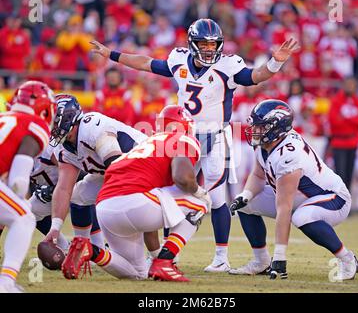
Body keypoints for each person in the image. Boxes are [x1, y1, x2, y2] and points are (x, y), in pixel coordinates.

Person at [90, 18, 299, 272]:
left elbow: (256, 76)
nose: (209, 49)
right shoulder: (178, 59)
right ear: (192, 43)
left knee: (216, 196)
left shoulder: (228, 65)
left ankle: (221, 257)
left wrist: (275, 61)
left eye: (213, 44)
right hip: (181, 136)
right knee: (168, 191)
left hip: (215, 136)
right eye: (203, 43)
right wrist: (111, 54)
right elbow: (146, 63)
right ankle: (166, 255)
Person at [61, 105, 211, 282]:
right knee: (199, 201)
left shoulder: (145, 144)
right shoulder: (182, 138)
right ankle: (166, 260)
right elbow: (183, 179)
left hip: (105, 207)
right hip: (135, 201)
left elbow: (150, 224)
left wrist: (155, 256)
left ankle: (91, 250)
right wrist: (200, 192)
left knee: (137, 272)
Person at [229, 99, 358, 281]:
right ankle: (261, 261)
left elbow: (284, 208)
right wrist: (246, 195)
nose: (256, 130)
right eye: (256, 125)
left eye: (262, 126)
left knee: (300, 217)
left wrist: (280, 259)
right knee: (245, 205)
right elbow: (258, 176)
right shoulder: (268, 142)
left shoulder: (289, 154)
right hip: (302, 198)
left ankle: (347, 259)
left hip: (333, 199)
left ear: (276, 127)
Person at [43, 94, 160, 257]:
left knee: (132, 208)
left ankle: (159, 258)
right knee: (78, 196)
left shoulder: (92, 126)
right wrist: (55, 228)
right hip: (114, 170)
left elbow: (116, 165)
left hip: (142, 165)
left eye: (54, 121)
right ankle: (82, 248)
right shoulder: (62, 147)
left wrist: (107, 202)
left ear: (69, 117)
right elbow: (63, 188)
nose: (51, 126)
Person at [0, 80, 55, 292]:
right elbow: (18, 180)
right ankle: (5, 283)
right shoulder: (34, 125)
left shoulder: (4, 117)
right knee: (24, 217)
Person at [328, 76, 358, 192]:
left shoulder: (357, 100)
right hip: (339, 142)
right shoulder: (336, 100)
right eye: (347, 84)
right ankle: (339, 203)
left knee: (350, 176)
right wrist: (354, 120)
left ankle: (347, 204)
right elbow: (334, 121)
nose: (350, 87)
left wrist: (346, 119)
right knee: (340, 175)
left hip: (352, 142)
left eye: (352, 84)